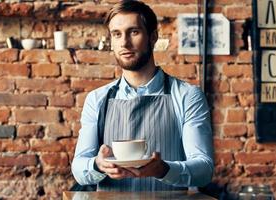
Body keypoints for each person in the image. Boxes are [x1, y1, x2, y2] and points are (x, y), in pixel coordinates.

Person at [71, 0, 214, 191]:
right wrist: (97, 165)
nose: (124, 42)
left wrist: (164, 170)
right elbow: (79, 168)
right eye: (117, 34)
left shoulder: (188, 96)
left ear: (153, 37)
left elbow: (204, 169)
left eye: (134, 32)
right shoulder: (97, 99)